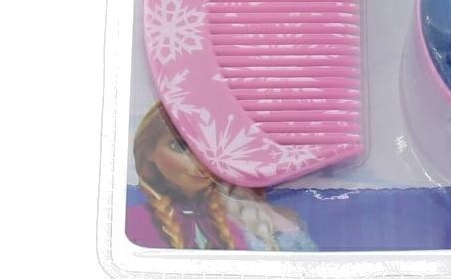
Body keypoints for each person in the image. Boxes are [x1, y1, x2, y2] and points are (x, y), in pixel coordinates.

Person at [126, 102, 316, 251]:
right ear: (148, 150)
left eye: (214, 146)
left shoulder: (261, 220)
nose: (201, 162)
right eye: (180, 147)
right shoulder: (134, 222)